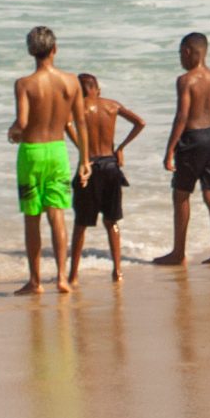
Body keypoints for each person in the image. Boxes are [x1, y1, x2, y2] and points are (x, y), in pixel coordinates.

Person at [9, 26, 82, 295]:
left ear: (31, 51)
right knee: (58, 215)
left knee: (32, 217)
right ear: (55, 49)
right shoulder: (71, 81)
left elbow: (23, 122)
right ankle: (62, 277)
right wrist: (85, 157)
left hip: (32, 153)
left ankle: (35, 281)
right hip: (59, 152)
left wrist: (13, 133)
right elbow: (79, 121)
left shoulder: (24, 84)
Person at [154, 32, 210, 266]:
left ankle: (178, 252)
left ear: (188, 52)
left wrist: (169, 151)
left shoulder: (186, 81)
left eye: (180, 53)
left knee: (181, 194)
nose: (180, 58)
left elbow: (182, 117)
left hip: (192, 139)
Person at [68, 72, 146, 286]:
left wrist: (82, 150)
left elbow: (66, 125)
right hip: (111, 166)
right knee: (112, 221)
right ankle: (117, 271)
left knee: (81, 224)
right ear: (97, 89)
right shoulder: (112, 105)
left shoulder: (78, 106)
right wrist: (120, 147)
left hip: (90, 166)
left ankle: (73, 275)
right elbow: (140, 122)